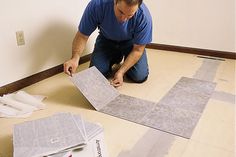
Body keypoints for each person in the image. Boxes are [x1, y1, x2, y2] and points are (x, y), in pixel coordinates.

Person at [64, 0, 152, 87]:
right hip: (106, 40)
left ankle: (123, 60)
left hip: (131, 44)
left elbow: (138, 50)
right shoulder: (97, 5)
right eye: (121, 12)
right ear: (115, 1)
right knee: (96, 74)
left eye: (130, 15)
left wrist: (121, 72)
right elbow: (82, 35)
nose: (123, 19)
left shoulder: (144, 17)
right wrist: (75, 58)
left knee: (139, 76)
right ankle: (115, 57)